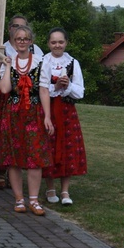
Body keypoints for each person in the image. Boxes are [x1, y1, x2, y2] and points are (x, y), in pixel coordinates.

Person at [0, 25, 53, 216]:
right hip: (12, 113)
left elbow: (44, 90)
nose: (22, 42)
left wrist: (48, 116)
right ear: (14, 41)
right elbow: (4, 89)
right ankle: (19, 198)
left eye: (25, 39)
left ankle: (34, 200)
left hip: (34, 112)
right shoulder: (8, 61)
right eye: (18, 38)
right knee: (13, 158)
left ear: (31, 41)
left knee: (35, 158)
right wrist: (6, 66)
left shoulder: (41, 62)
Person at [0, 15, 43, 189]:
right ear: (9, 28)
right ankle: (1, 172)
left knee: (22, 132)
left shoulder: (36, 50)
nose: (18, 29)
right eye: (15, 26)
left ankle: (18, 171)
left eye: (22, 27)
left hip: (26, 95)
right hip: (2, 93)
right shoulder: (0, 46)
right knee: (0, 131)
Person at [40, 28, 87, 206]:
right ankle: (50, 187)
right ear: (48, 44)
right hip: (49, 109)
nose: (57, 45)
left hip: (67, 111)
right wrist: (57, 86)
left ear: (66, 42)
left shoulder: (73, 63)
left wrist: (66, 87)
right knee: (49, 147)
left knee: (67, 148)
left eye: (60, 42)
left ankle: (65, 190)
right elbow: (41, 88)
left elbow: (80, 91)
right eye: (53, 42)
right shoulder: (44, 61)